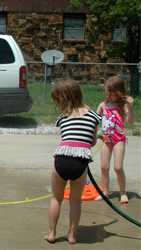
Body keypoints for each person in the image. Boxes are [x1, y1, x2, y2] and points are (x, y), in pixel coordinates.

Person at [44, 79, 101, 244]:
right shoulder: (93, 116)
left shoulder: (63, 117)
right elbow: (91, 142)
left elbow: (67, 139)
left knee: (56, 198)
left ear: (64, 99)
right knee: (76, 201)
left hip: (61, 159)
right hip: (80, 162)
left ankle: (51, 233)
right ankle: (72, 235)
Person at [94, 76, 134, 204]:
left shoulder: (122, 106)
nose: (109, 96)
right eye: (107, 93)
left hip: (118, 140)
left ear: (119, 92)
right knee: (104, 167)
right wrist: (92, 133)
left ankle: (123, 192)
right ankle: (105, 191)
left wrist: (130, 107)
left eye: (112, 94)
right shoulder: (103, 105)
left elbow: (130, 122)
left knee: (118, 167)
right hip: (106, 141)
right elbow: (94, 120)